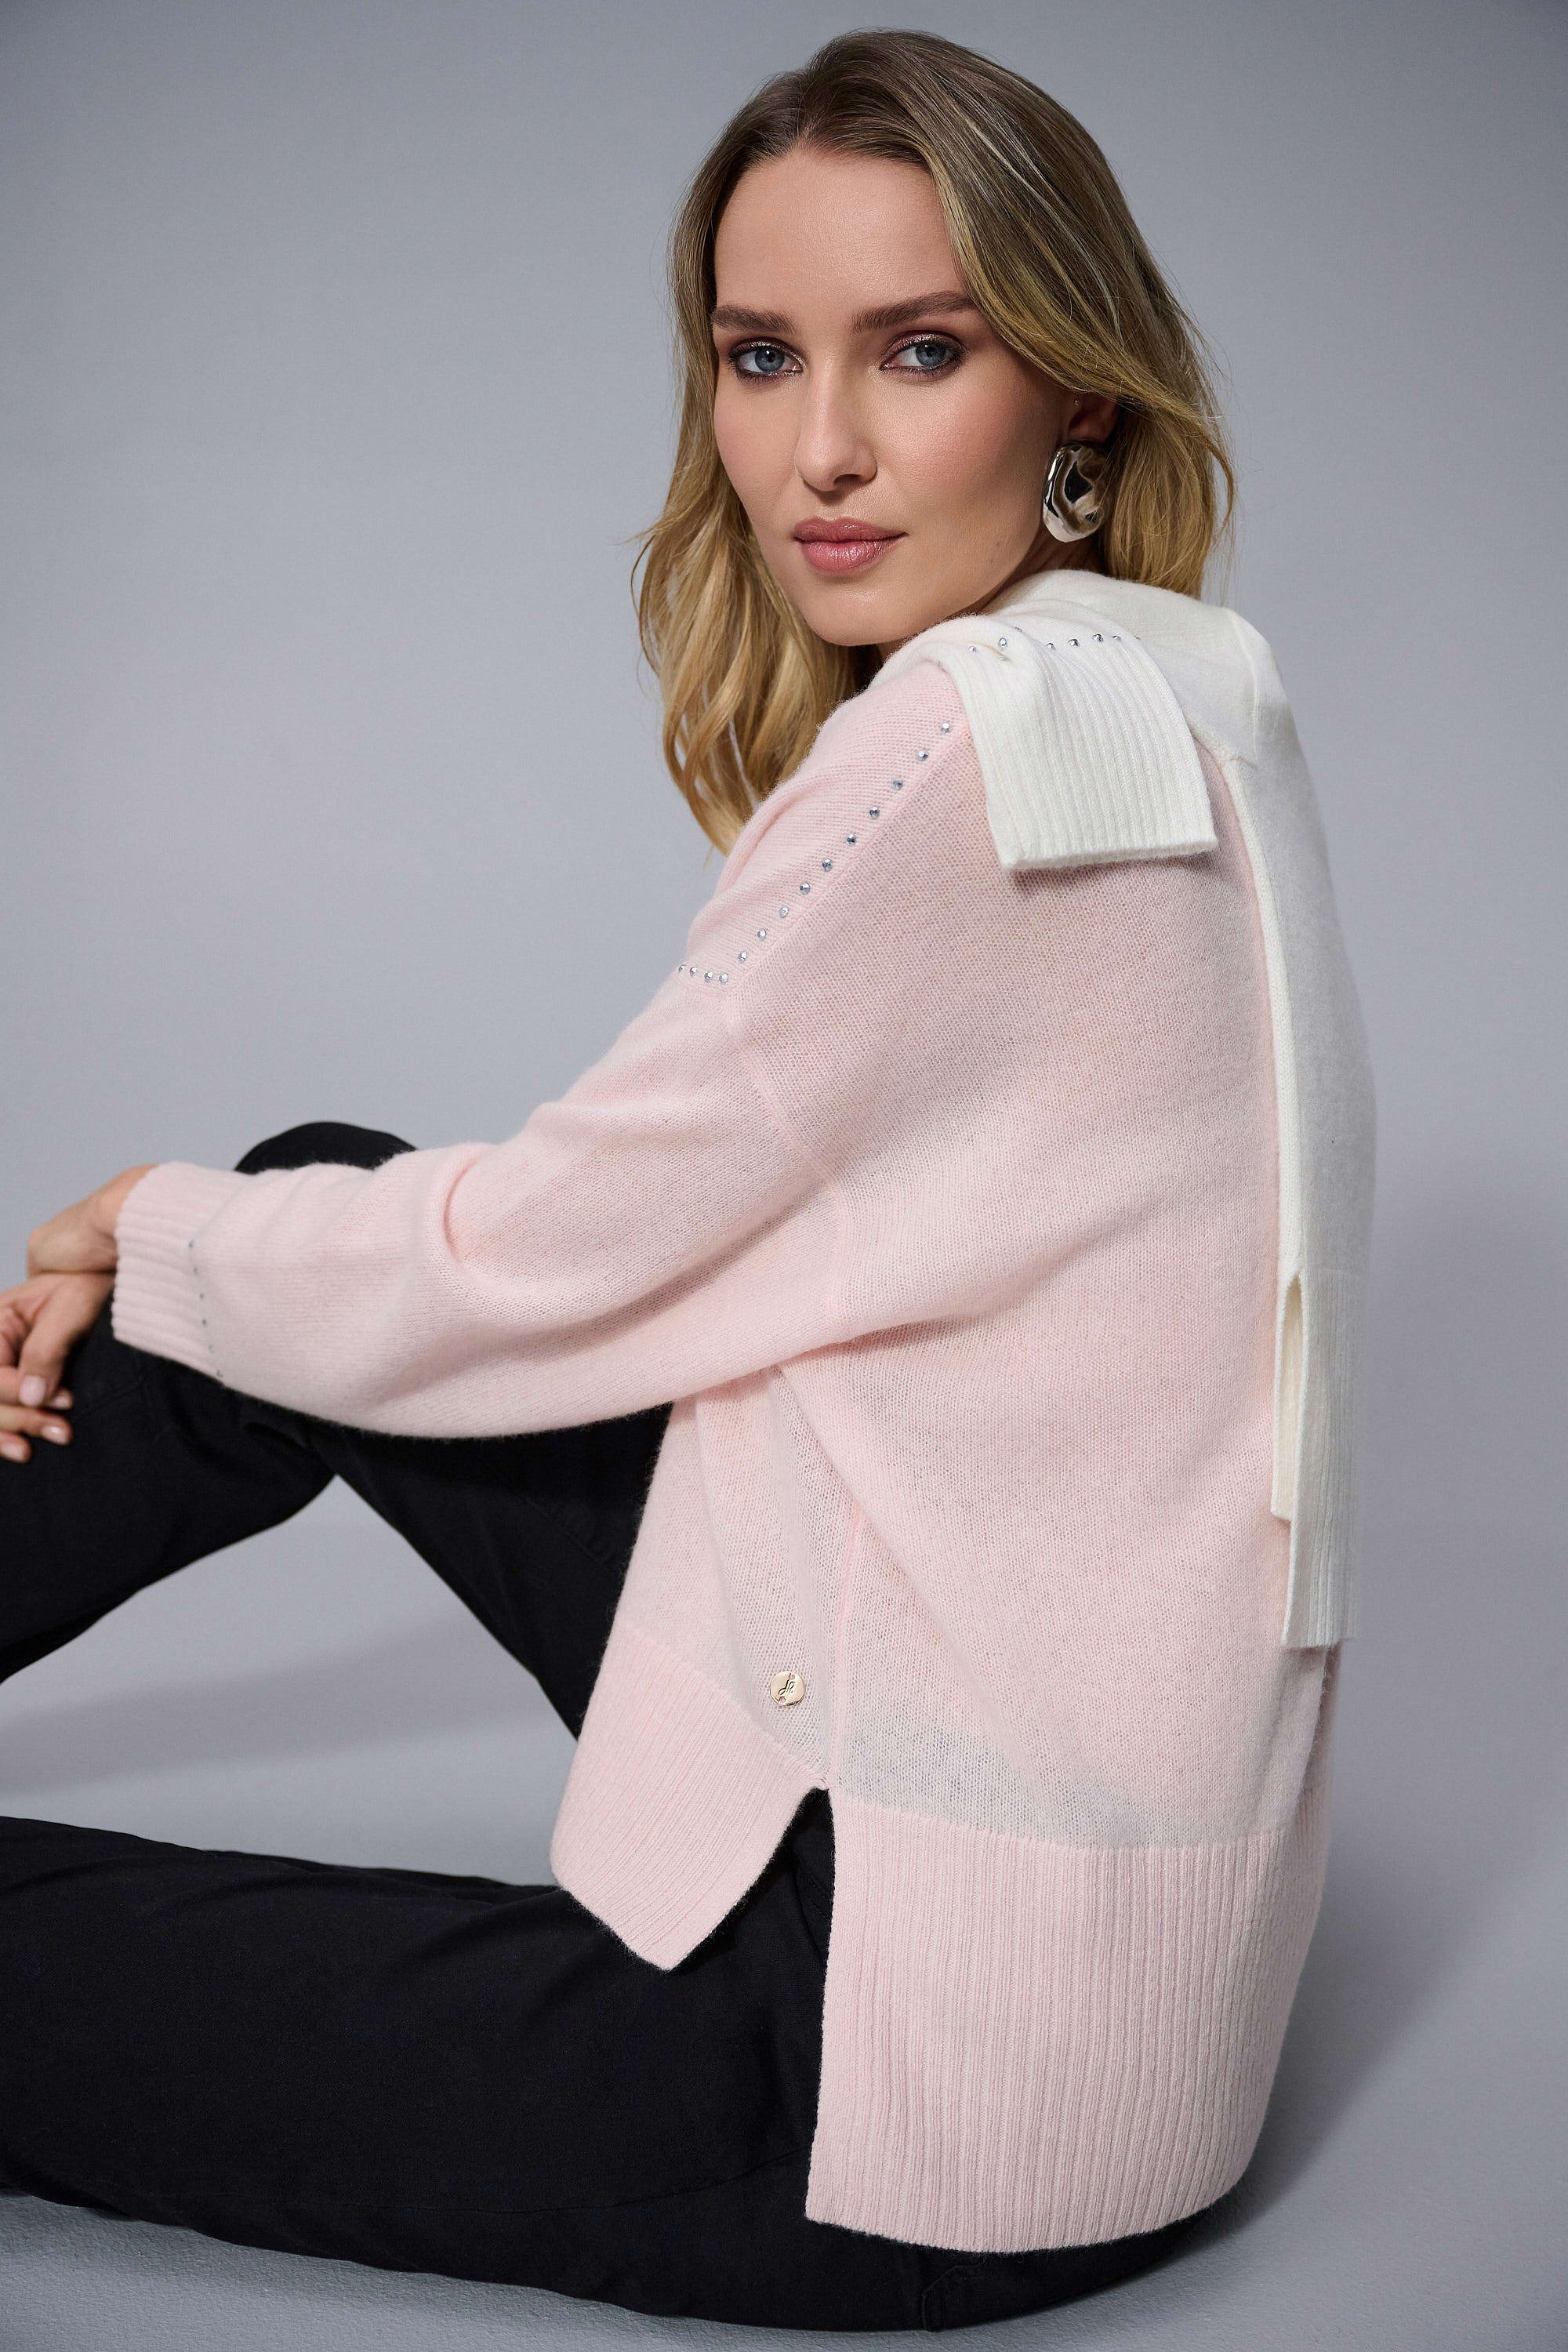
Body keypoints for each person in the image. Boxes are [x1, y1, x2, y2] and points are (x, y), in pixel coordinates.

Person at [0, 26, 1376, 2335]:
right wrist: (204, 1253)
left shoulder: (963, 756)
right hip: (1098, 1986)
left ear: (1077, 390)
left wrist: (139, 1220)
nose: (818, 447)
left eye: (919, 352)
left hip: (891, 2103)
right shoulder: (1189, 687)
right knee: (310, 1214)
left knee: (269, 1277)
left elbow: (544, 1260)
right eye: (760, 356)